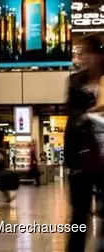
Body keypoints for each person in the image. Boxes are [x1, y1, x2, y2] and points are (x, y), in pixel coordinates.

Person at [66, 34, 104, 252]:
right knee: (79, 211)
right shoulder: (75, 82)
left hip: (102, 153)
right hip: (81, 156)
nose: (82, 58)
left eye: (86, 53)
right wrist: (89, 114)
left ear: (98, 54)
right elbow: (72, 116)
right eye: (80, 53)